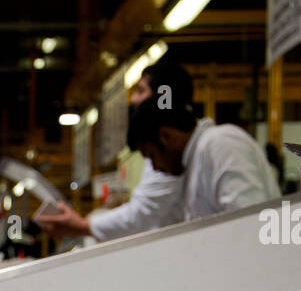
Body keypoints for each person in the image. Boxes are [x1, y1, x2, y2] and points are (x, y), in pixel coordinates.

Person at [34, 58, 191, 242]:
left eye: (140, 91)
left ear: (165, 96)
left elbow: (144, 211)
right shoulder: (164, 148)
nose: (133, 99)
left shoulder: (175, 150)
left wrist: (84, 226)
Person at [126, 91, 281, 221]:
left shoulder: (221, 144)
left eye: (152, 156)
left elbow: (247, 221)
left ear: (166, 136)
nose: (155, 167)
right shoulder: (195, 159)